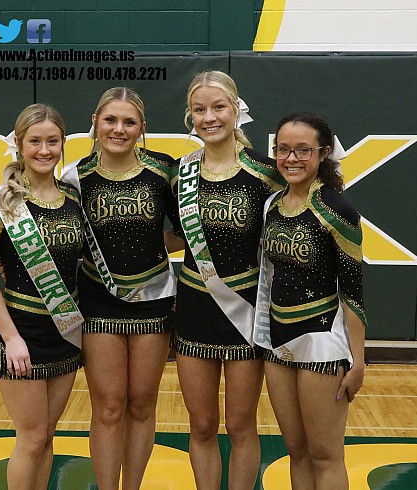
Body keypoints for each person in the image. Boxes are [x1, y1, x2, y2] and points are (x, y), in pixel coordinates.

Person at [60, 87, 180, 490]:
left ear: (142, 128)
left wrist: (150, 246)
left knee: (142, 405)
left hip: (153, 299)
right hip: (99, 300)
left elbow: (188, 231)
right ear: (95, 122)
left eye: (129, 122)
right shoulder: (75, 177)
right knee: (109, 407)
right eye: (110, 120)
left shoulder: (164, 170)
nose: (119, 128)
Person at [172, 70, 285, 490]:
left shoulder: (267, 172)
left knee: (241, 425)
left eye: (219, 107)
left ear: (237, 110)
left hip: (245, 314)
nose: (210, 117)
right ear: (190, 117)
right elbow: (160, 233)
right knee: (201, 425)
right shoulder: (178, 174)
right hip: (194, 312)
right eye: (199, 109)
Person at [0, 103, 85, 490]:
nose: (43, 150)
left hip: (66, 333)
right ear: (18, 144)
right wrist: (12, 338)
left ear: (62, 144)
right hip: (19, 335)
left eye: (52, 141)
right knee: (31, 437)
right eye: (34, 141)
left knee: (48, 436)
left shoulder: (74, 199)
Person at [255, 112, 367, 490]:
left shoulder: (337, 209)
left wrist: (359, 359)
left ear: (323, 153)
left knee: (325, 455)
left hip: (322, 341)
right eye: (283, 150)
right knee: (297, 451)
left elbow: (354, 291)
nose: (291, 159)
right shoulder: (272, 205)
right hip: (277, 342)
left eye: (303, 150)